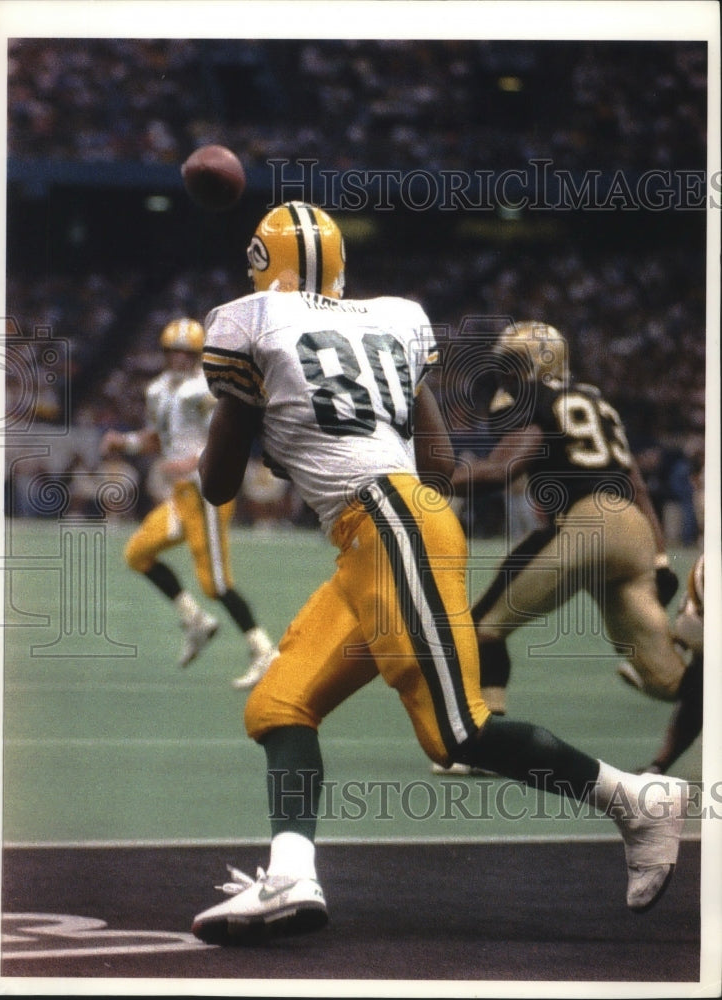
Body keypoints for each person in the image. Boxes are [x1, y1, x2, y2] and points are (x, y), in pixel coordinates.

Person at [190, 203, 687, 944]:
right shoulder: (394, 317)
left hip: (388, 522)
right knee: (279, 703)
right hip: (386, 528)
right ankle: (291, 875)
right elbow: (443, 464)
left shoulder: (246, 323)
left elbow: (218, 484)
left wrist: (258, 416)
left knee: (458, 730)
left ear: (260, 263)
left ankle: (634, 800)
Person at [437, 321, 701, 777]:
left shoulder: (540, 401)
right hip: (634, 531)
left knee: (483, 626)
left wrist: (429, 479)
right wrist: (659, 556)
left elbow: (502, 469)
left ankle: (488, 747)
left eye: (514, 365)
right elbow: (636, 482)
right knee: (670, 681)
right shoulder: (598, 401)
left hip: (587, 526)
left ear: (539, 363)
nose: (507, 376)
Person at [100, 317, 276, 689]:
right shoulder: (158, 389)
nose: (180, 359)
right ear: (165, 353)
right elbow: (155, 438)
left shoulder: (206, 389)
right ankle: (194, 620)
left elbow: (225, 439)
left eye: (187, 353)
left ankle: (263, 650)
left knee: (215, 583)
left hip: (206, 492)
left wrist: (191, 462)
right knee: (138, 552)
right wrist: (125, 443)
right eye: (173, 352)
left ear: (198, 355)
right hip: (181, 496)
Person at [622, 552, 704, 775]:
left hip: (696, 620)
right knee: (698, 687)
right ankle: (658, 766)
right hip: (697, 620)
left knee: (698, 685)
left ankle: (658, 766)